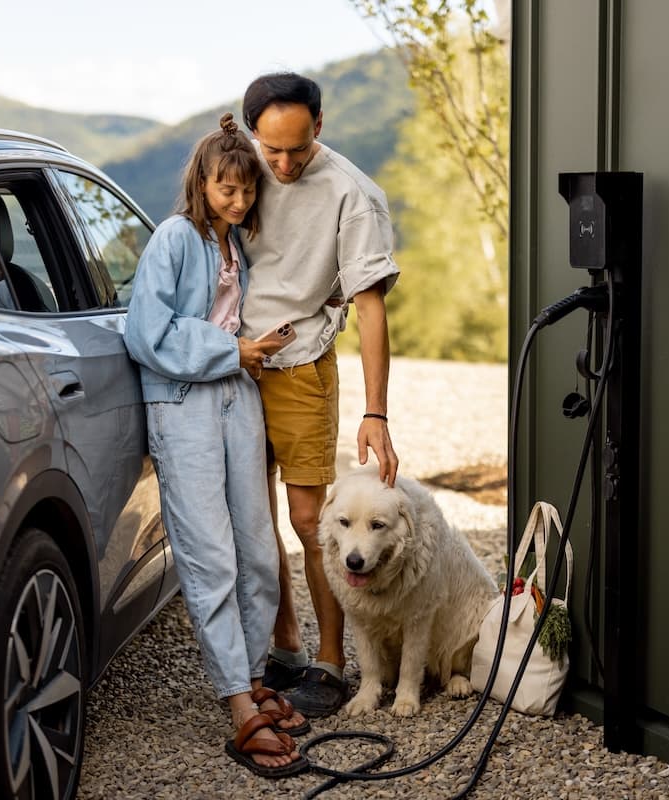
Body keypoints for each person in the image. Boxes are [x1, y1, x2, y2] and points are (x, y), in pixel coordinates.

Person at [123, 113, 310, 778]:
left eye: (247, 189)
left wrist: (255, 351)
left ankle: (254, 676)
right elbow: (145, 331)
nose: (238, 199)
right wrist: (232, 350)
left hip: (238, 396)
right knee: (210, 555)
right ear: (201, 184)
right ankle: (238, 703)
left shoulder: (236, 249)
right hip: (185, 404)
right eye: (226, 188)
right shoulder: (175, 237)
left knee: (258, 549)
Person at [239, 72, 401, 719]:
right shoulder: (237, 167)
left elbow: (371, 306)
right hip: (233, 365)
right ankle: (287, 647)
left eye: (298, 149)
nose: (282, 165)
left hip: (301, 367)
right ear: (252, 133)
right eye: (271, 149)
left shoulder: (352, 194)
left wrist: (375, 411)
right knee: (254, 517)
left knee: (311, 521)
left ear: (320, 126)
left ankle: (331, 664)